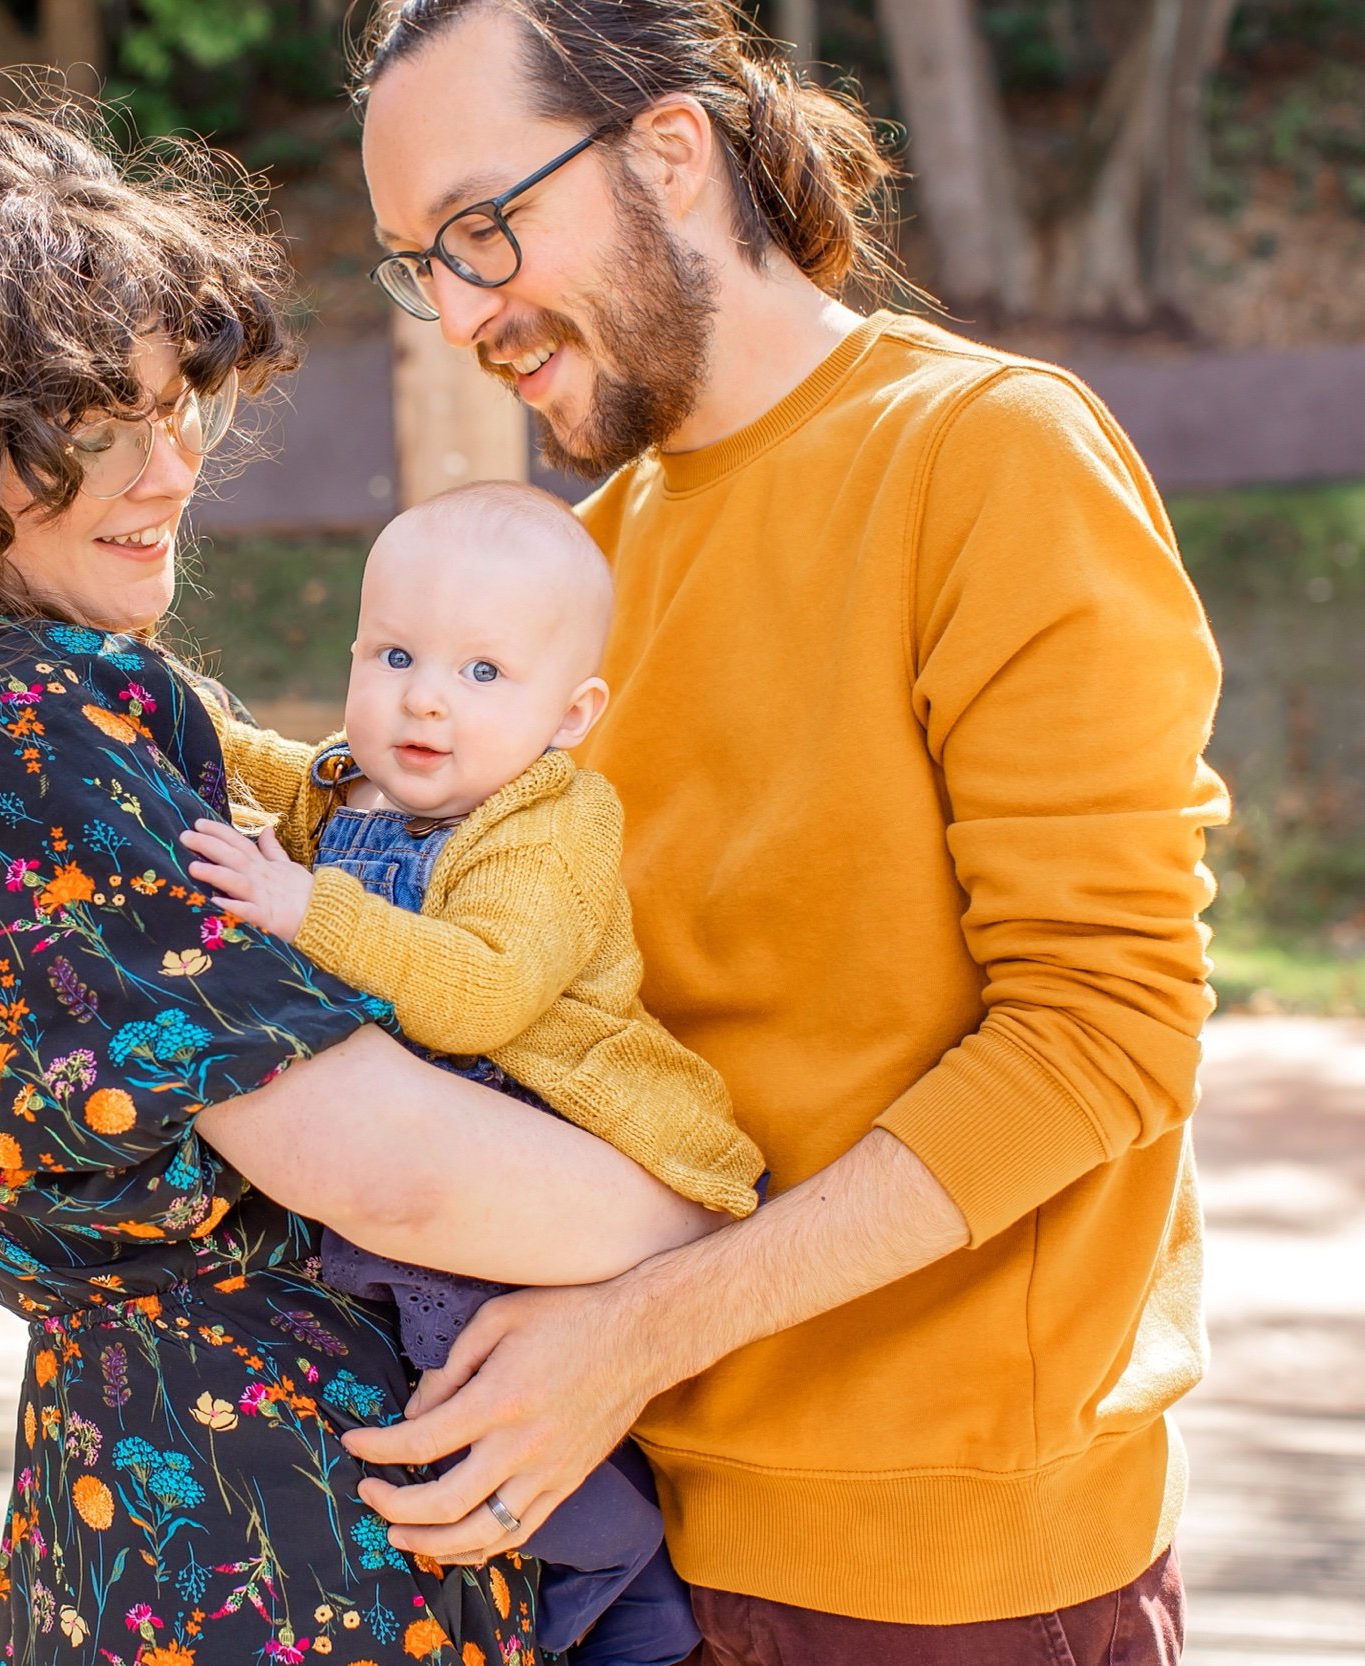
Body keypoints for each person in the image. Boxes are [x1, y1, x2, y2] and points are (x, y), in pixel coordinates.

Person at [0, 105, 718, 1664]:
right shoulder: (11, 729)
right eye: (97, 426)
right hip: (281, 1550)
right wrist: (716, 1244)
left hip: (149, 1515)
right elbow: (383, 1167)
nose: (174, 466)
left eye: (178, 404)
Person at [339, 4, 1230, 1662]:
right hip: (630, 1555)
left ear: (670, 154)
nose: (460, 312)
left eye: (482, 230)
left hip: (959, 1582)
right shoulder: (575, 574)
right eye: (420, 264)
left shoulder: (986, 456)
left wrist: (626, 1334)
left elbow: (1107, 1035)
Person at [179, 480, 769, 1665]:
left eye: (484, 674)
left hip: (564, 1134)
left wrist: (306, 908)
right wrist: (155, 704)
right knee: (413, 1345)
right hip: (454, 1145)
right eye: (395, 653)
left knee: (474, 1370)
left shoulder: (551, 821)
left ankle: (607, 1572)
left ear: (569, 712)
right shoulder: (352, 781)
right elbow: (255, 760)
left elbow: (482, 988)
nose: (427, 697)